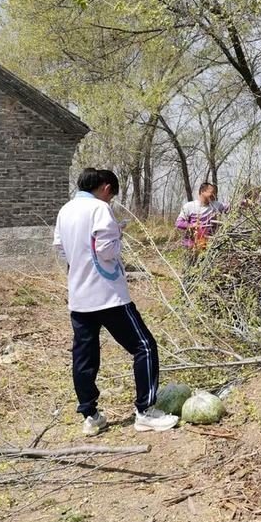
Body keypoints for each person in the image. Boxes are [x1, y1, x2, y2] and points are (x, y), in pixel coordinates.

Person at [54, 168, 178, 435]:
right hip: (109, 296)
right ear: (107, 188)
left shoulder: (65, 210)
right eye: (111, 195)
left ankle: (90, 415)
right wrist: (118, 236)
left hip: (79, 299)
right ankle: (145, 410)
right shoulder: (100, 209)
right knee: (144, 346)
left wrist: (79, 264)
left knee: (84, 358)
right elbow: (106, 251)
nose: (110, 200)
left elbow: (59, 249)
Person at [175, 182, 229, 254]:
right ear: (202, 192)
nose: (214, 195)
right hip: (192, 245)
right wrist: (192, 225)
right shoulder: (189, 206)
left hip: (209, 245)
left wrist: (244, 202)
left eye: (215, 193)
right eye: (212, 193)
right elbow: (178, 223)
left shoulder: (216, 205)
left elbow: (231, 206)